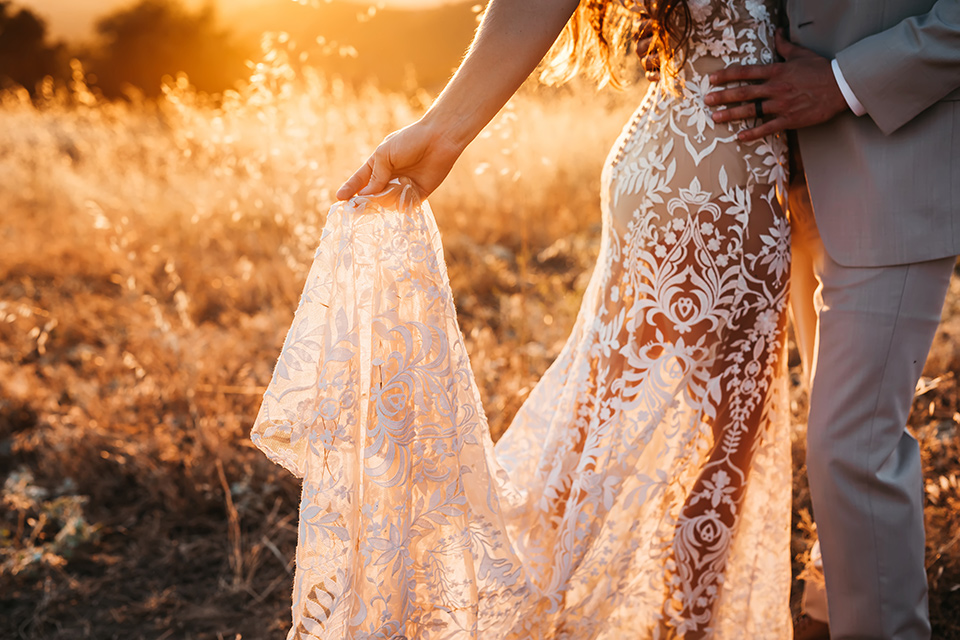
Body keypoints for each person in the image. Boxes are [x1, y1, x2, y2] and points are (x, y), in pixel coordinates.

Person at [252, 0, 797, 637]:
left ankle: (539, 618)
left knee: (592, 434)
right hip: (722, 183)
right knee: (718, 452)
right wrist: (444, 129)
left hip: (664, 162)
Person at [706, 3, 960, 638]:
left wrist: (846, 81)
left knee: (851, 448)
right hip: (773, 169)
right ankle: (825, 613)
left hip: (892, 152)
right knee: (826, 425)